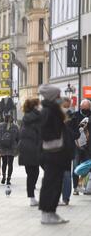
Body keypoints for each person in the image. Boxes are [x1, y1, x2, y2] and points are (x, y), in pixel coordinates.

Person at [38, 85, 74, 224]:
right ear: (53, 97)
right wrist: (59, 137)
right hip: (53, 152)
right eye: (58, 96)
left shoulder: (53, 110)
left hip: (57, 153)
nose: (60, 98)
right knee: (50, 183)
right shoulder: (49, 111)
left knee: (55, 183)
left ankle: (51, 212)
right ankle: (46, 213)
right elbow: (46, 132)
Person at [18, 98, 42, 207]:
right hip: (34, 148)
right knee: (34, 173)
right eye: (39, 105)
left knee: (31, 174)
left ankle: (31, 197)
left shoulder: (25, 118)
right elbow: (40, 133)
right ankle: (32, 197)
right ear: (35, 106)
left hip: (25, 148)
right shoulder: (37, 117)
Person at [70, 99, 91, 195]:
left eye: (88, 108)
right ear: (81, 107)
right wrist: (75, 139)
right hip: (76, 146)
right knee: (76, 167)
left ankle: (81, 185)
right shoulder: (75, 116)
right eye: (84, 108)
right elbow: (71, 129)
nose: (86, 109)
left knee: (86, 168)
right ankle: (75, 188)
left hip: (88, 147)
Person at [0, 114, 19, 185]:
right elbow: (18, 137)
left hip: (3, 146)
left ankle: (3, 177)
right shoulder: (15, 127)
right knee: (10, 164)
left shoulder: (0, 126)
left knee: (4, 163)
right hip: (12, 147)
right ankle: (8, 179)